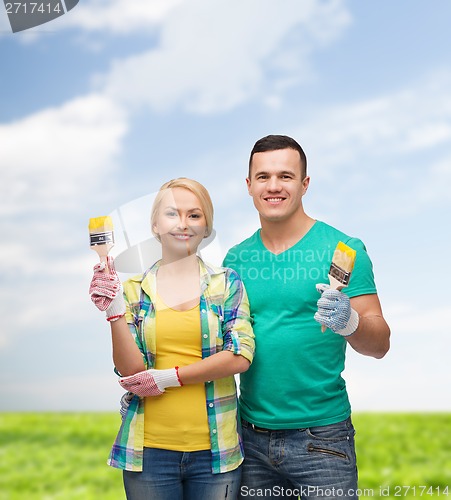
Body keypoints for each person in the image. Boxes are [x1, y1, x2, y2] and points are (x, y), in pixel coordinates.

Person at [223, 135, 391, 499]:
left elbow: (380, 344)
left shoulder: (343, 249)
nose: (274, 186)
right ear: (249, 185)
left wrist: (350, 322)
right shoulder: (235, 260)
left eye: (285, 176)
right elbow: (221, 344)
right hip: (249, 439)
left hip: (323, 439)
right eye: (263, 176)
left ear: (304, 184)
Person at [89, 178, 255, 500]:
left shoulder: (226, 283)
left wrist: (170, 377)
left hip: (215, 454)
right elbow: (131, 371)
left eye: (194, 215)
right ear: (155, 224)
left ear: (206, 227)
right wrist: (113, 311)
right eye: (172, 214)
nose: (183, 223)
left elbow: (240, 355)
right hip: (149, 453)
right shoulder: (134, 290)